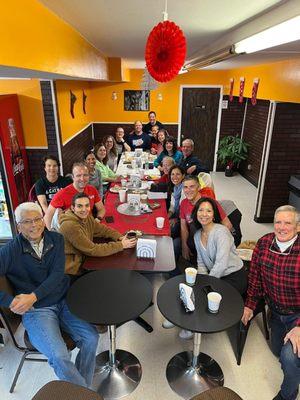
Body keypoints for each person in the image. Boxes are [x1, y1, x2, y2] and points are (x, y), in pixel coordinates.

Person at [0, 202, 99, 387]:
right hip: (37, 311)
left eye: (37, 219)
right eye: (27, 221)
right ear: (18, 225)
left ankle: (82, 390)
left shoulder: (56, 239)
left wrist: (32, 296)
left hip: (63, 300)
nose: (34, 225)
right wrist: (10, 300)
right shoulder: (10, 250)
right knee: (60, 356)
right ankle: (85, 394)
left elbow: (57, 275)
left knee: (91, 338)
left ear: (43, 220)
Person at [241, 205, 300, 400]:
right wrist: (249, 305)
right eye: (278, 222)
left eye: (288, 223)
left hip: (297, 315)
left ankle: (288, 395)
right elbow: (255, 278)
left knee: (289, 358)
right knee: (276, 350)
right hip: (274, 309)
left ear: (297, 227)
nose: (282, 227)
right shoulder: (264, 243)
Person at [59, 193, 137, 276]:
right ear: (73, 208)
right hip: (74, 270)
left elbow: (103, 230)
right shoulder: (70, 226)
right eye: (79, 206)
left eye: (87, 205)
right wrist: (121, 245)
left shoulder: (86, 217)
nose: (84, 209)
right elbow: (92, 249)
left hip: (85, 258)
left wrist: (120, 237)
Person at [174, 175, 232, 263]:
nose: (188, 190)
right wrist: (184, 245)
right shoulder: (184, 203)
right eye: (185, 187)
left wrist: (214, 245)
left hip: (210, 240)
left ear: (199, 187)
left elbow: (228, 225)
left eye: (192, 187)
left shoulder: (209, 202)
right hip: (194, 237)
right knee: (175, 244)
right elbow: (183, 227)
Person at [44, 162, 105, 230]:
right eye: (78, 175)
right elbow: (47, 217)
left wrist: (97, 219)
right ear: (73, 177)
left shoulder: (92, 189)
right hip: (72, 231)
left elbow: (101, 209)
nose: (82, 179)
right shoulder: (62, 193)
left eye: (85, 175)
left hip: (89, 227)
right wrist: (52, 236)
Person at [167, 165, 185, 238]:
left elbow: (185, 211)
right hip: (177, 215)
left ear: (183, 176)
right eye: (172, 174)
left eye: (178, 174)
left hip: (183, 220)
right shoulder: (175, 188)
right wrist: (168, 215)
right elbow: (173, 206)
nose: (174, 177)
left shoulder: (185, 189)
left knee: (170, 229)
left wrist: (176, 219)